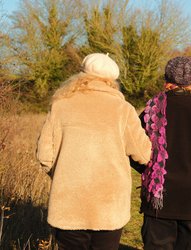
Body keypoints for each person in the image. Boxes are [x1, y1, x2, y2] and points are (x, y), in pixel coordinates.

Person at [36, 53, 152, 250]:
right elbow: (144, 154)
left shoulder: (60, 106)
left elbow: (44, 156)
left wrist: (63, 174)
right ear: (112, 80)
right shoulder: (123, 109)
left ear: (81, 75)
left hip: (68, 203)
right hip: (109, 205)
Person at [130, 56, 191, 250]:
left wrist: (149, 171)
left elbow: (134, 149)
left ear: (166, 78)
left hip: (158, 201)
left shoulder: (150, 111)